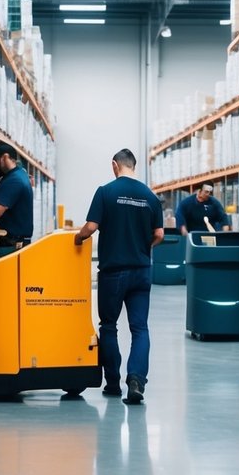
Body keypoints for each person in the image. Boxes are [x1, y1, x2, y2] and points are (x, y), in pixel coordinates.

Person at [74, 149, 164, 404]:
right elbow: (159, 234)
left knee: (109, 326)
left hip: (113, 272)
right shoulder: (150, 196)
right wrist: (141, 246)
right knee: (139, 328)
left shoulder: (106, 191)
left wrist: (77, 237)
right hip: (141, 271)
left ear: (115, 165)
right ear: (133, 166)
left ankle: (113, 383)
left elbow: (91, 227)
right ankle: (136, 380)